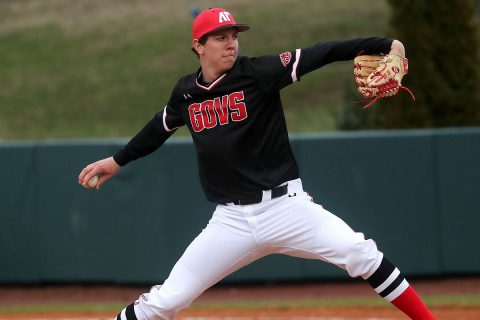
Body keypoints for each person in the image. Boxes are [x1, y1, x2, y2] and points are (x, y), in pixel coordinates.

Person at [78, 7, 436, 320]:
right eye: (219, 37)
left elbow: (321, 53)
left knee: (360, 253)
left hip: (287, 208)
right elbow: (160, 126)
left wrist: (387, 45)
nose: (231, 43)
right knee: (168, 300)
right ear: (198, 47)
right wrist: (117, 160)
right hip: (231, 221)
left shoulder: (259, 72)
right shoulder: (186, 92)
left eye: (233, 35)